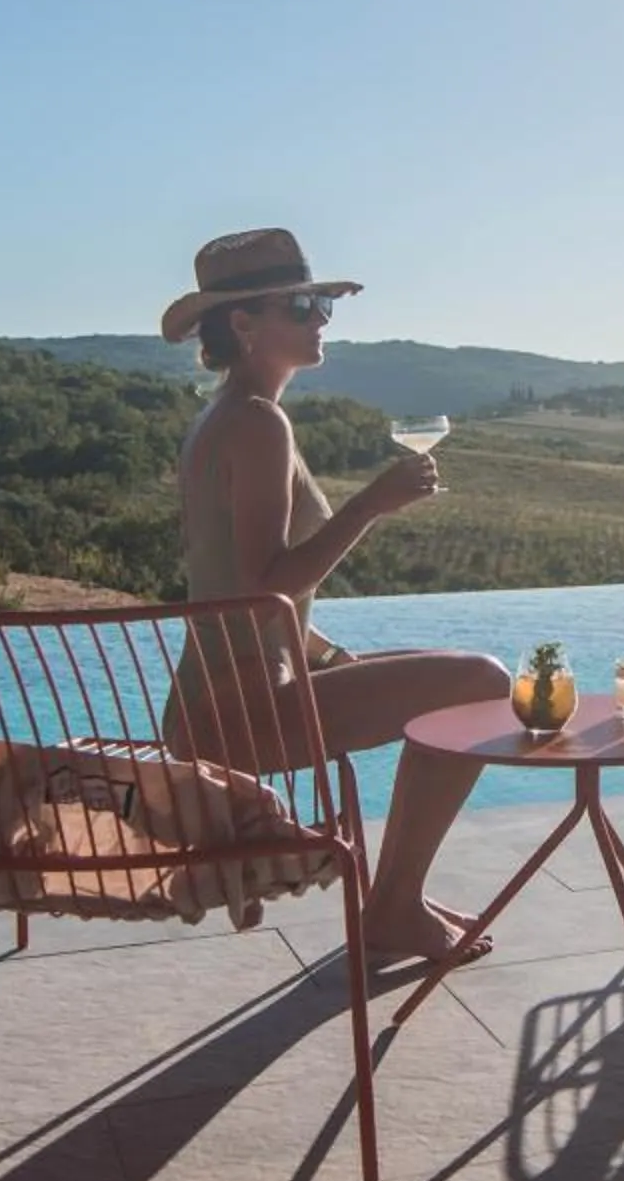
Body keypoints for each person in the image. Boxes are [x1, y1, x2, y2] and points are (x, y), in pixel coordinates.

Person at [163, 228, 509, 963]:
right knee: (483, 685)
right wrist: (370, 505)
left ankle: (396, 900)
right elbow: (266, 583)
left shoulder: (224, 416)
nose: (321, 317)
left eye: (321, 302)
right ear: (245, 324)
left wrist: (320, 650)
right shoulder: (258, 422)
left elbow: (228, 583)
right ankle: (394, 907)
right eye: (302, 304)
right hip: (243, 718)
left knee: (448, 674)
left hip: (217, 700)